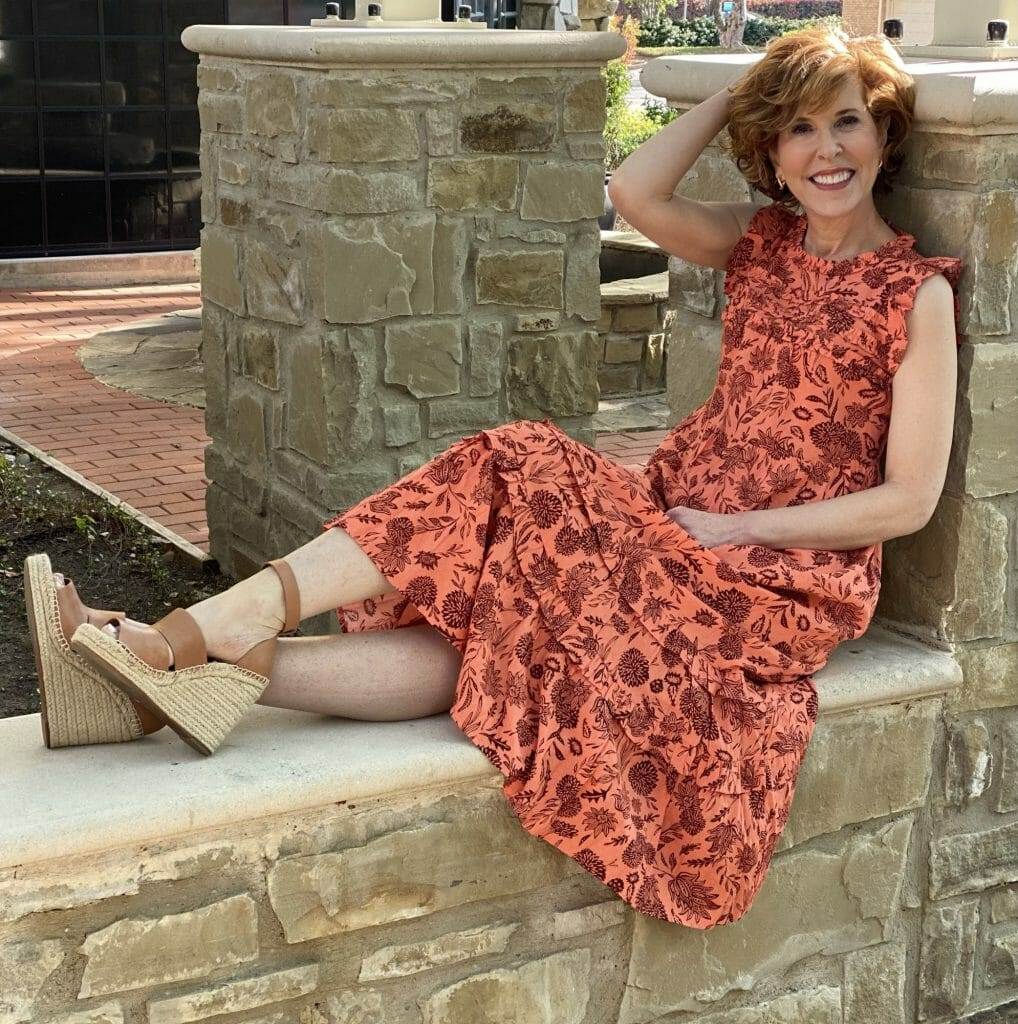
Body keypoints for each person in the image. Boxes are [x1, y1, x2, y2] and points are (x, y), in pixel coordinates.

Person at [25, 23, 962, 929]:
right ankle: (190, 674)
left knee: (517, 454)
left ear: (885, 131)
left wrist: (737, 532)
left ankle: (203, 628)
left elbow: (908, 501)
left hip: (764, 582)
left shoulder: (913, 293)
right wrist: (744, 93)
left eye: (845, 120)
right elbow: (635, 189)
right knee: (493, 620)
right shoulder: (763, 243)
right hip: (673, 529)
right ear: (772, 148)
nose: (824, 150)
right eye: (798, 128)